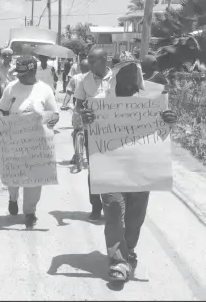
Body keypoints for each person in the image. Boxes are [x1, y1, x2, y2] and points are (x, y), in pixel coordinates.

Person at [79, 51, 177, 282]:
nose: (132, 77)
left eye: (135, 72)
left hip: (141, 168)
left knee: (135, 215)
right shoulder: (102, 101)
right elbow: (86, 124)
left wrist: (169, 119)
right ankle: (119, 260)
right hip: (110, 167)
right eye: (127, 72)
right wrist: (86, 119)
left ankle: (129, 250)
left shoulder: (152, 100)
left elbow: (163, 129)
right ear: (117, 75)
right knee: (113, 209)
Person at [0, 55, 59, 228]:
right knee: (14, 174)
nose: (19, 77)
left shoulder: (45, 90)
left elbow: (54, 114)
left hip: (36, 142)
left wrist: (51, 121)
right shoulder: (11, 88)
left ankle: (30, 212)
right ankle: (13, 197)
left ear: (33, 71)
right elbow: (1, 109)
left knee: (34, 178)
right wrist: (1, 124)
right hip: (14, 139)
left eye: (23, 74)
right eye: (18, 73)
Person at [73, 48, 112, 221]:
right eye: (88, 59)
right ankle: (96, 206)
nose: (89, 63)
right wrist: (83, 113)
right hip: (93, 132)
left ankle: (114, 206)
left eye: (93, 60)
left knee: (115, 170)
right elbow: (78, 105)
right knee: (95, 171)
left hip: (116, 133)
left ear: (105, 59)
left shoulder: (117, 77)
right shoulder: (84, 80)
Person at [60, 59, 90, 165]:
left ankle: (77, 154)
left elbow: (69, 93)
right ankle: (79, 153)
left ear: (80, 68)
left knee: (77, 131)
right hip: (81, 108)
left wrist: (64, 104)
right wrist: (64, 104)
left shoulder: (77, 78)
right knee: (79, 131)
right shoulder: (79, 78)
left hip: (80, 108)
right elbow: (69, 92)